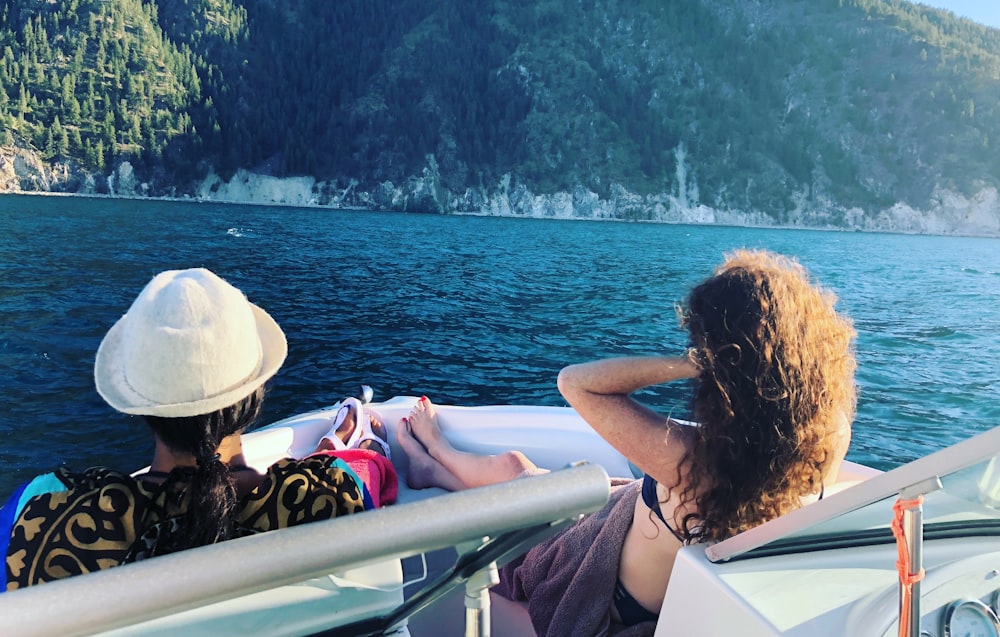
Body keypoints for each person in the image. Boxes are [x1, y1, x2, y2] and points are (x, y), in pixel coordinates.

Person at [396, 249, 857, 636]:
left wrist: (692, 364)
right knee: (523, 477)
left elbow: (574, 383)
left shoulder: (695, 463)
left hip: (600, 587)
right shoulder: (818, 445)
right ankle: (437, 462)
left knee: (516, 478)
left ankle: (437, 462)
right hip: (622, 526)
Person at [1, 267, 396, 591]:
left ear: (140, 405)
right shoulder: (334, 497)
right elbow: (371, 476)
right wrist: (333, 458)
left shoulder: (40, 515)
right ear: (257, 393)